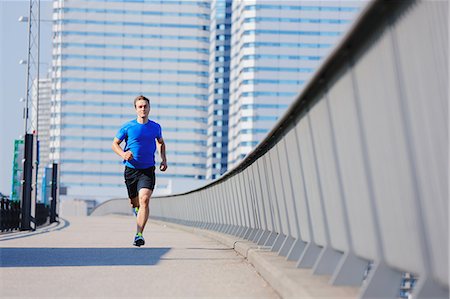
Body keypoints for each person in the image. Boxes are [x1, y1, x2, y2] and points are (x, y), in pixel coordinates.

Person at [112, 95, 167, 247]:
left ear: (149, 108)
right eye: (140, 106)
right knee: (134, 202)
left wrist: (164, 159)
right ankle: (136, 209)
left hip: (148, 170)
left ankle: (139, 234)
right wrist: (123, 154)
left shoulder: (156, 127)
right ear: (136, 109)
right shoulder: (128, 127)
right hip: (131, 170)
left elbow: (161, 143)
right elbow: (115, 144)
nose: (143, 109)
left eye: (145, 106)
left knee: (145, 200)